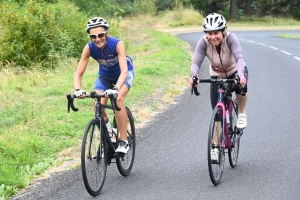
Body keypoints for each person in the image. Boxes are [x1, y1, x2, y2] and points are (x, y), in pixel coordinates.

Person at [189, 13, 249, 160]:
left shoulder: (231, 39)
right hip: (217, 76)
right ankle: (215, 146)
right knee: (217, 113)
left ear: (223, 31)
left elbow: (239, 59)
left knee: (241, 88)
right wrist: (194, 76)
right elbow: (196, 63)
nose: (212, 36)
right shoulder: (203, 43)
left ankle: (241, 112)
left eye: (216, 33)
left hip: (235, 71)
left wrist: (240, 75)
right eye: (209, 33)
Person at [73, 17, 134, 154]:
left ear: (106, 33)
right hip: (105, 76)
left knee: (118, 99)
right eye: (93, 36)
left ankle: (123, 141)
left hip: (123, 74)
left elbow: (124, 71)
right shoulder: (89, 48)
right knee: (98, 105)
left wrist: (116, 88)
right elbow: (78, 73)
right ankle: (110, 134)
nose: (97, 39)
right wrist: (78, 89)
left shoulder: (117, 44)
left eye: (100, 35)